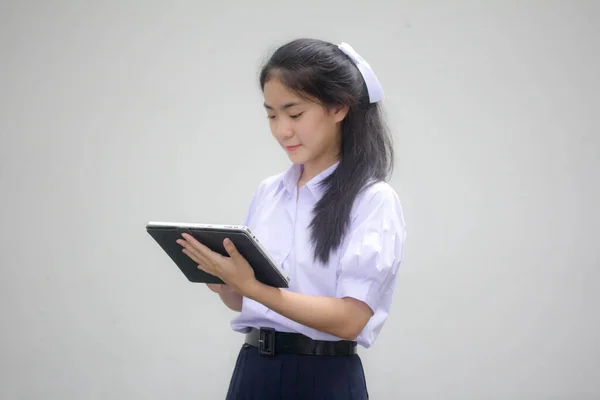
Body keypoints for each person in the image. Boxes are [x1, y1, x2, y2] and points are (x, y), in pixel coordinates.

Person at [177, 38, 406, 399]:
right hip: (254, 371)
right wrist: (226, 283)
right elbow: (243, 303)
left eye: (294, 113)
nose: (281, 130)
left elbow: (350, 319)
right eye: (271, 114)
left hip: (322, 377)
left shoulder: (372, 200)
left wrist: (254, 288)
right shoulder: (270, 192)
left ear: (339, 108)